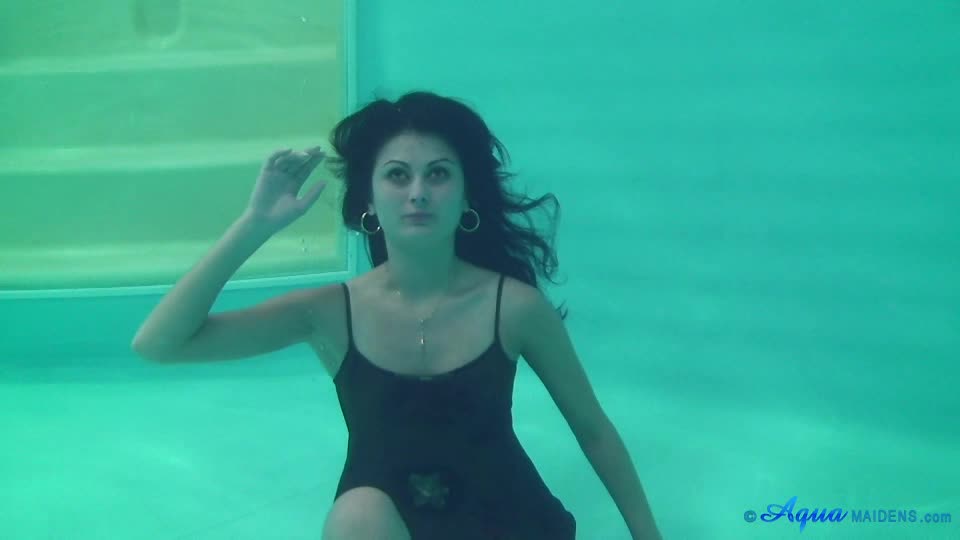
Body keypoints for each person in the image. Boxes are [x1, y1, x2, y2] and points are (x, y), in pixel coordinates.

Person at [132, 91, 662, 540]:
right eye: (397, 175)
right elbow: (159, 344)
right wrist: (254, 225)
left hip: (510, 523)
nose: (418, 193)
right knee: (357, 514)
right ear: (368, 199)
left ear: (466, 196)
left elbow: (593, 430)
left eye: (438, 174)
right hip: (383, 527)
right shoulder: (328, 313)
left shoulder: (514, 308)